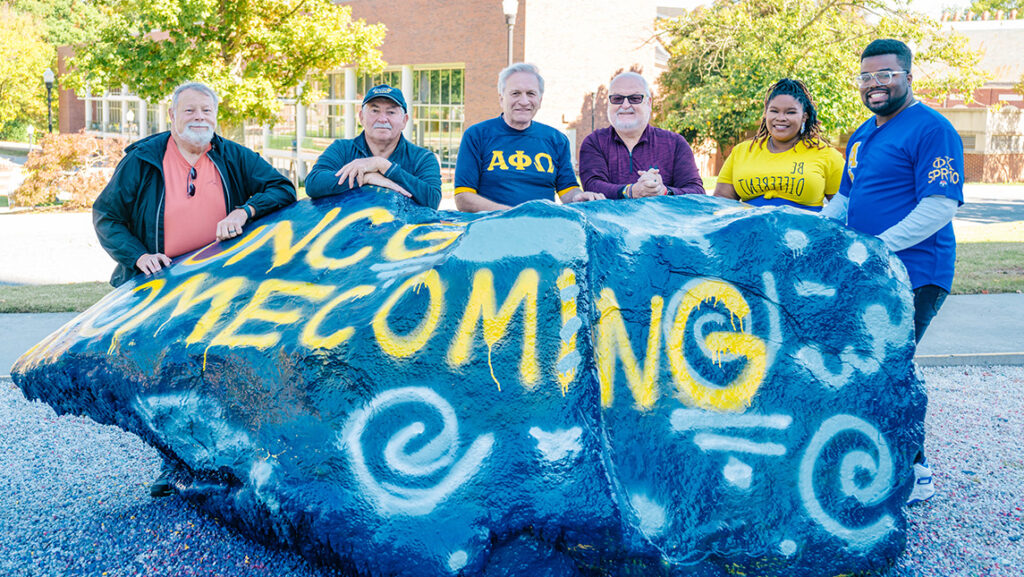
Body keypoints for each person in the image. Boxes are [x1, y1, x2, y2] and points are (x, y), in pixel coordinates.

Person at [93, 81, 296, 496]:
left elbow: (283, 187)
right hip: (159, 287)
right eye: (189, 111)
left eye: (206, 110)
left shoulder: (231, 154)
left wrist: (245, 209)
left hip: (220, 288)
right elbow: (107, 216)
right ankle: (174, 465)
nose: (199, 117)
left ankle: (229, 464)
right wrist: (137, 256)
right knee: (165, 381)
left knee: (221, 378)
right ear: (172, 117)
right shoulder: (143, 160)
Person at [822, 38, 964, 505]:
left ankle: (916, 469)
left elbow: (940, 205)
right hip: (870, 273)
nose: (875, 84)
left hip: (917, 272)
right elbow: (844, 201)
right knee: (871, 368)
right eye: (866, 77)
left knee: (887, 369)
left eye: (885, 74)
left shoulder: (932, 128)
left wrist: (881, 246)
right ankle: (891, 461)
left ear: (907, 75)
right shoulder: (862, 134)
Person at [454, 63, 604, 212]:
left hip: (541, 228)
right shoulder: (477, 135)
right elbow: (463, 198)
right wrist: (513, 214)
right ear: (501, 99)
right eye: (515, 93)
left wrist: (580, 197)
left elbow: (568, 191)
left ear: (540, 100)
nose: (524, 101)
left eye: (531, 93)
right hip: (492, 228)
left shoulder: (556, 140)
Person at [714, 78, 843, 211]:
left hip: (803, 230)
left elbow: (844, 206)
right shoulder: (741, 152)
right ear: (766, 114)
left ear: (804, 117)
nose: (781, 118)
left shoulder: (827, 155)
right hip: (751, 230)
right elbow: (722, 201)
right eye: (774, 111)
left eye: (790, 112)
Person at [305, 84, 441, 209]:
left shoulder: (422, 158)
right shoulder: (341, 149)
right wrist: (365, 178)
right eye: (375, 111)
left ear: (404, 121)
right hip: (351, 233)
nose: (382, 119)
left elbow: (432, 199)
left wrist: (383, 166)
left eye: (391, 112)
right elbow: (313, 184)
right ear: (361, 117)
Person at [579, 71, 704, 199]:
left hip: (660, 219)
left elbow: (697, 191)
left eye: (635, 98)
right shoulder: (595, 142)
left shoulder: (675, 143)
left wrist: (663, 191)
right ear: (609, 103)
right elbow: (593, 186)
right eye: (617, 99)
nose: (625, 105)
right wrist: (630, 191)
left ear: (649, 103)